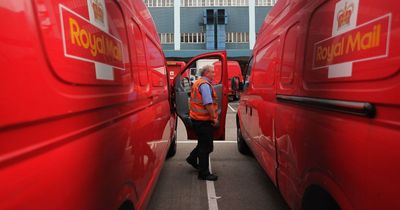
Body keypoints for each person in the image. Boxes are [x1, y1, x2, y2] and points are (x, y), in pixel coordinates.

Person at [186, 65, 219, 181]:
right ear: (206, 73)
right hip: (203, 121)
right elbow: (208, 103)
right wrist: (214, 118)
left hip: (197, 119)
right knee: (206, 147)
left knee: (203, 144)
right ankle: (204, 173)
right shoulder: (204, 85)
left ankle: (192, 158)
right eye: (212, 72)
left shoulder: (198, 82)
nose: (214, 74)